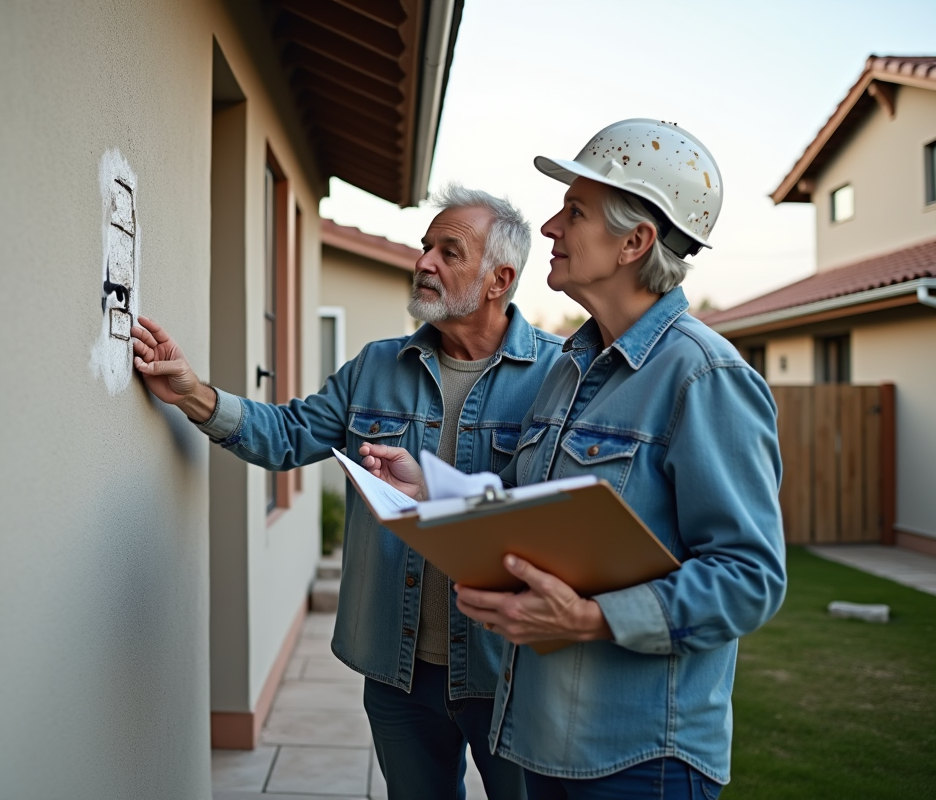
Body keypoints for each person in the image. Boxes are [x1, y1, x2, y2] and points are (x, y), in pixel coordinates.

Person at [359, 121, 787, 799]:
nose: (551, 227)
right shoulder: (570, 369)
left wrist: (590, 619)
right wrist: (437, 489)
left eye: (576, 211)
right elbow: (535, 510)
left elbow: (749, 577)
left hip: (643, 761)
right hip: (543, 740)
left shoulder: (703, 378)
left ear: (635, 242)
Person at [132, 184, 565, 799]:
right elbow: (288, 435)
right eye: (425, 247)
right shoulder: (376, 367)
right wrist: (194, 394)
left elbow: (556, 515)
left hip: (512, 672)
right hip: (400, 671)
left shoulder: (559, 376)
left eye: (448, 251)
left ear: (499, 279)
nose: (424, 262)